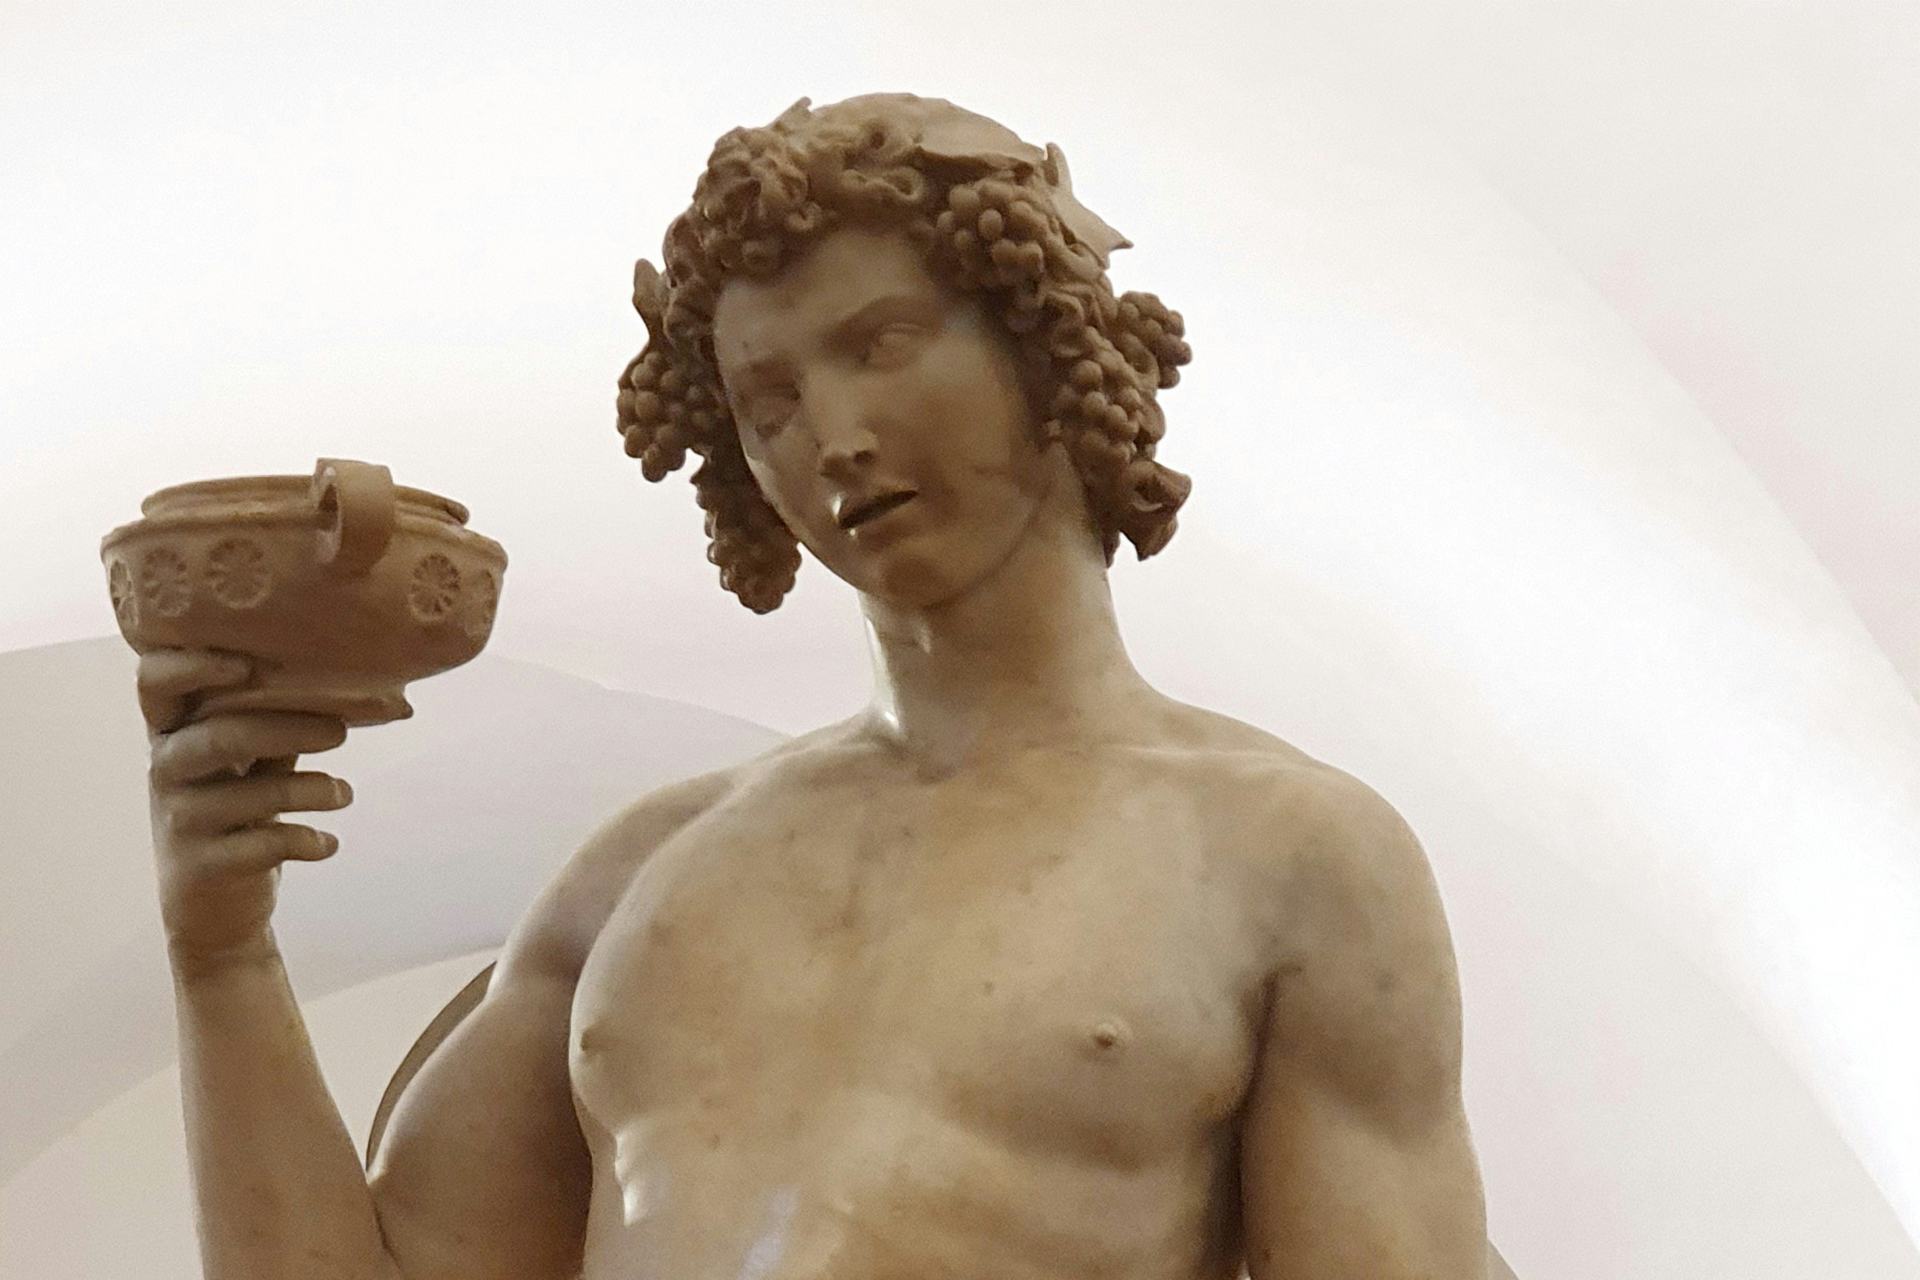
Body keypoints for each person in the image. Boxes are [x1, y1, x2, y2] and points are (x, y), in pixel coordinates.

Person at [141, 94, 1488, 1280]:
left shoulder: (1284, 852)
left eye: (883, 341)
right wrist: (224, 957)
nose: (834, 436)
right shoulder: (640, 871)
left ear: (1043, 341)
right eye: (768, 400)